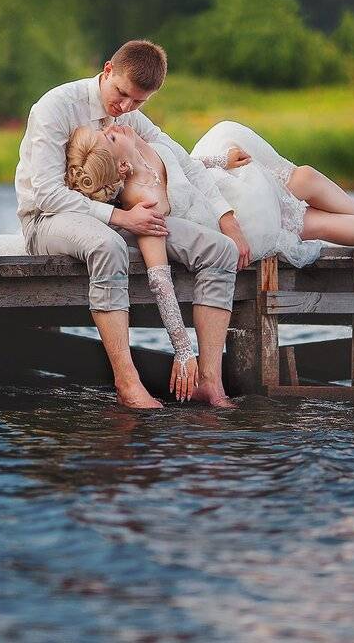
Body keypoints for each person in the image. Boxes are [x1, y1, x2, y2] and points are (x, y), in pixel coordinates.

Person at [66, 120, 354, 403]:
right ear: (121, 168)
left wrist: (223, 160)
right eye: (110, 135)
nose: (113, 125)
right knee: (308, 215)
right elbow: (160, 281)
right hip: (235, 223)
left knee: (302, 179)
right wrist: (185, 351)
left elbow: (189, 166)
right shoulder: (143, 204)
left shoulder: (145, 147)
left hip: (222, 193)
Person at [15, 39, 246, 410]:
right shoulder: (55, 107)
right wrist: (122, 217)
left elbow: (183, 161)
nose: (125, 107)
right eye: (121, 93)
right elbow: (45, 193)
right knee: (108, 246)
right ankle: (128, 383)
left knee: (219, 250)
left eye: (138, 102)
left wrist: (227, 219)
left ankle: (209, 381)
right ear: (107, 70)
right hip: (49, 220)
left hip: (118, 215)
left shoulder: (129, 118)